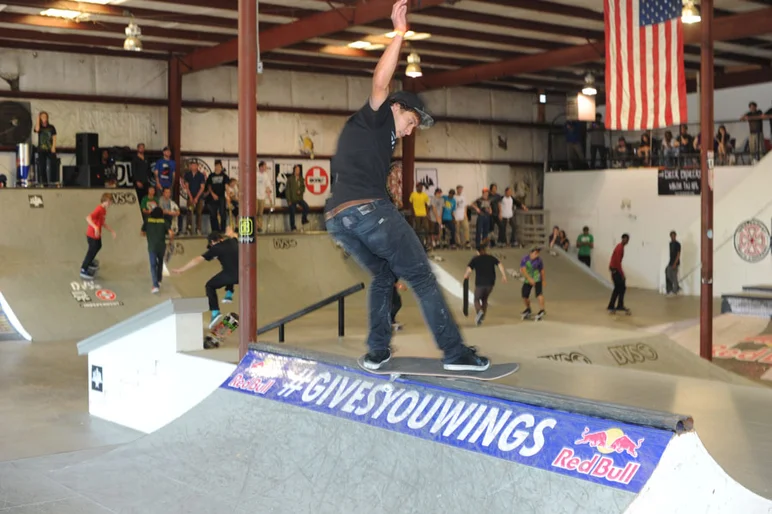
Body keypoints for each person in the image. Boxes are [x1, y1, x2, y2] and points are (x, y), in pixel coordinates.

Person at [323, 0, 488, 372]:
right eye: (412, 122)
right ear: (397, 108)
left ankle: (377, 351)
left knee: (384, 273)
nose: (411, 131)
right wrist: (398, 33)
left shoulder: (380, 136)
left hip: (338, 219)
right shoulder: (379, 115)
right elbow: (380, 81)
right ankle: (455, 353)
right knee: (421, 276)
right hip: (367, 212)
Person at [172, 229, 239, 328]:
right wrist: (230, 232)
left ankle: (215, 312)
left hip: (231, 276)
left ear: (212, 242)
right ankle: (229, 293)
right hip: (244, 275)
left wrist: (182, 269)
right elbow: (235, 236)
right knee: (228, 266)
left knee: (210, 285)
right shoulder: (232, 241)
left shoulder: (216, 248)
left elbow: (197, 260)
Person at [464, 245, 507, 326]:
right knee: (484, 299)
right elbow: (500, 264)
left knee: (476, 299)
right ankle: (482, 317)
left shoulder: (475, 259)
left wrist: (466, 276)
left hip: (480, 283)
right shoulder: (491, 257)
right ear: (485, 250)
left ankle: (480, 312)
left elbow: (469, 270)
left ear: (478, 251)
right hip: (490, 284)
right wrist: (504, 275)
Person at [80, 193, 116, 280]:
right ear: (105, 201)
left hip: (97, 234)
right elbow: (88, 218)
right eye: (110, 202)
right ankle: (83, 269)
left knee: (99, 246)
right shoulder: (99, 209)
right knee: (91, 251)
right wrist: (95, 227)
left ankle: (90, 261)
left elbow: (102, 223)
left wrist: (111, 231)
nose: (110, 204)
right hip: (92, 234)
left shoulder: (104, 210)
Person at [142, 206, 172, 294]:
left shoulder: (148, 220)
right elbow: (171, 233)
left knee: (153, 265)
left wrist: (148, 234)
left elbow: (142, 232)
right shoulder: (164, 221)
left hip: (152, 247)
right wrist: (170, 241)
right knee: (160, 263)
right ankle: (159, 280)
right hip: (161, 246)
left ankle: (155, 285)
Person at [520, 246, 545, 320]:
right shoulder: (525, 259)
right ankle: (528, 309)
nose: (537, 255)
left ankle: (542, 310)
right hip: (528, 279)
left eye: (538, 253)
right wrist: (529, 279)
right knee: (524, 295)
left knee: (539, 294)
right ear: (531, 253)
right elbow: (523, 270)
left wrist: (543, 280)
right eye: (535, 253)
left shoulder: (539, 260)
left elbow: (542, 270)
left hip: (537, 279)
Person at [608, 233, 631, 314]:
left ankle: (612, 305)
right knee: (621, 287)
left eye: (628, 239)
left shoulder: (620, 247)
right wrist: (622, 274)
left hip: (614, 268)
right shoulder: (619, 248)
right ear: (622, 239)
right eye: (625, 239)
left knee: (618, 288)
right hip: (615, 269)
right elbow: (617, 262)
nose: (627, 241)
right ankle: (618, 305)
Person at [183, 160, 206, 235]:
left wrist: (196, 198)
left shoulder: (201, 175)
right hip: (190, 196)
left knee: (199, 213)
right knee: (189, 212)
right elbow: (187, 187)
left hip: (199, 197)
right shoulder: (187, 175)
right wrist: (191, 197)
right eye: (191, 165)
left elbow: (202, 188)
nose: (193, 167)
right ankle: (188, 229)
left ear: (197, 166)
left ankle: (198, 229)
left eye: (194, 165)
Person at [206, 160, 229, 232]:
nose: (217, 168)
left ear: (221, 167)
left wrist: (228, 197)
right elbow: (209, 186)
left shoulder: (224, 176)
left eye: (219, 166)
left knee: (223, 213)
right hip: (212, 197)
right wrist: (212, 194)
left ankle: (222, 229)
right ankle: (215, 230)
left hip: (221, 197)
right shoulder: (211, 176)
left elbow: (226, 186)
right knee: (213, 214)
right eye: (216, 166)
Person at [33, 111, 57, 186]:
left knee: (54, 164)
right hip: (41, 149)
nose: (44, 118)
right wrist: (37, 119)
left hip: (50, 149)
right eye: (42, 117)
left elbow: (54, 137)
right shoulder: (40, 127)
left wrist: (53, 146)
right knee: (42, 167)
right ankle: (44, 183)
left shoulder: (51, 127)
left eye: (45, 116)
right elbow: (36, 129)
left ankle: (54, 181)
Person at [286, 164, 310, 231]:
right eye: (297, 170)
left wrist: (300, 191)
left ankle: (304, 219)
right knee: (292, 212)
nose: (298, 171)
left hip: (299, 198)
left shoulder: (301, 179)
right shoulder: (290, 179)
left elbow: (303, 188)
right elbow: (287, 190)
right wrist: (289, 201)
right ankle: (293, 226)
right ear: (294, 170)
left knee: (306, 207)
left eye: (299, 170)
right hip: (292, 199)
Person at [454, 184, 470, 249]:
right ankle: (458, 243)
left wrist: (465, 214)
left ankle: (467, 242)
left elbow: (465, 206)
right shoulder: (454, 197)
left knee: (466, 228)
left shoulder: (463, 197)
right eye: (459, 189)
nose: (460, 190)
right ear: (457, 189)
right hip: (456, 216)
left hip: (463, 215)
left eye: (461, 189)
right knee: (457, 230)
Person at [666, 230, 681, 296]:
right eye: (671, 236)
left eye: (674, 236)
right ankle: (677, 286)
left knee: (674, 276)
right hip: (670, 262)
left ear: (675, 236)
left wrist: (675, 263)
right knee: (668, 274)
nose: (673, 237)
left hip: (675, 262)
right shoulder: (670, 243)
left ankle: (675, 291)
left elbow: (678, 254)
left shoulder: (678, 244)